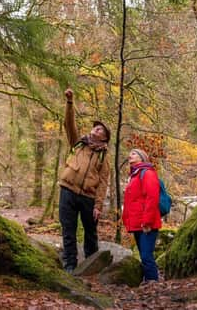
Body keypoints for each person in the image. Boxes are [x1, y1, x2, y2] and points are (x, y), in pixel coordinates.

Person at [59, 88, 111, 273]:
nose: (96, 129)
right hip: (68, 191)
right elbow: (68, 124)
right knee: (68, 230)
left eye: (100, 129)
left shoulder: (104, 157)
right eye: (95, 127)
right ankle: (70, 266)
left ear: (104, 137)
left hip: (88, 198)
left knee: (90, 233)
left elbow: (103, 183)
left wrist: (98, 206)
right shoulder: (78, 143)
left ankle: (92, 265)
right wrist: (70, 103)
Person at [122, 148, 162, 283]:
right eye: (130, 153)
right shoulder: (134, 175)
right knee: (144, 254)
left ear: (142, 157)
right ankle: (149, 282)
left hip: (146, 223)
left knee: (146, 255)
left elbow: (152, 198)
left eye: (133, 153)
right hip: (138, 223)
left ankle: (152, 283)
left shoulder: (148, 173)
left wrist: (147, 222)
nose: (130, 155)